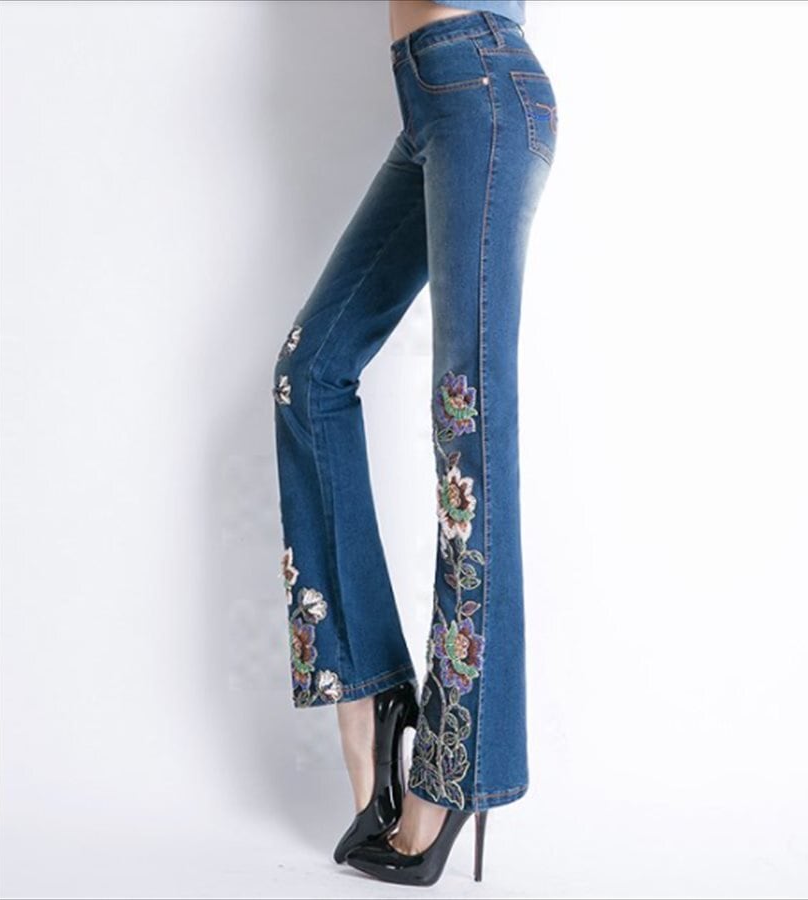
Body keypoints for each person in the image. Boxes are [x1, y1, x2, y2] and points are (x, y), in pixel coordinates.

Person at [271, 0, 556, 886]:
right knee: (310, 376)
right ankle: (368, 692)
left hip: (477, 78)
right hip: (436, 99)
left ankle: (452, 773)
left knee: (468, 422)